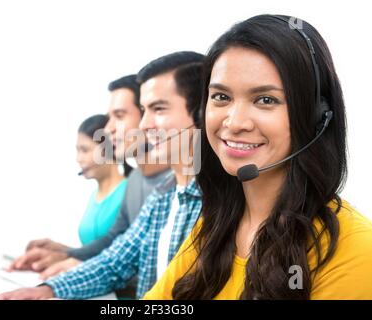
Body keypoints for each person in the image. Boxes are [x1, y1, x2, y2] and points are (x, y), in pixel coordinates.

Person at [144, 14, 372, 300]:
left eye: (266, 100)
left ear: (316, 117)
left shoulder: (354, 249)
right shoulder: (215, 226)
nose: (235, 122)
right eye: (221, 97)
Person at [0, 51, 205, 300]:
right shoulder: (163, 196)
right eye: (143, 110)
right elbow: (115, 260)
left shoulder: (218, 201)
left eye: (158, 109)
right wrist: (47, 289)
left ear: (201, 113)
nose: (145, 125)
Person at [7, 76, 170, 288]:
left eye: (119, 116)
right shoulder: (136, 180)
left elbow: (147, 269)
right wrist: (67, 256)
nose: (108, 128)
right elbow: (116, 243)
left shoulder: (173, 185)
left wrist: (73, 265)